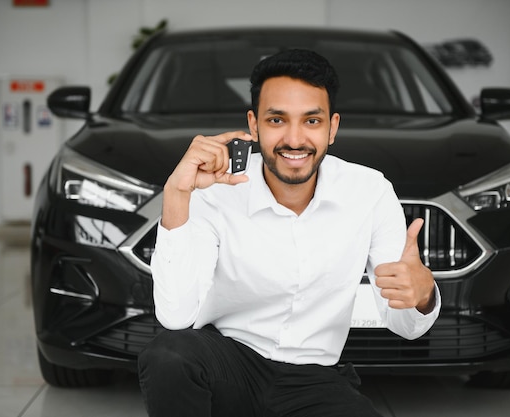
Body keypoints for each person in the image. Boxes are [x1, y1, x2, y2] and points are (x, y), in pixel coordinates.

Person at [138, 49, 440, 417]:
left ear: (332, 128)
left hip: (316, 380)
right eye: (277, 119)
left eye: (312, 121)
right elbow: (175, 318)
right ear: (254, 125)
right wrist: (176, 194)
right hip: (231, 365)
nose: (294, 139)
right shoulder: (215, 189)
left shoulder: (370, 192)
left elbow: (406, 326)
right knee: (169, 355)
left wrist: (422, 294)